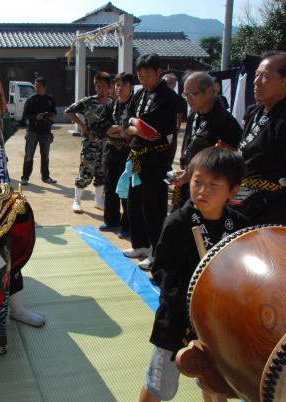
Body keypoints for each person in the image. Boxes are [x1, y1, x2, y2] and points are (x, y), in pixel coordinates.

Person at [139, 147, 249, 402]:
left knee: (215, 383)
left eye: (214, 185)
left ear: (232, 191)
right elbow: (162, 271)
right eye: (197, 181)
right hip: (178, 321)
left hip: (219, 323)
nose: (202, 191)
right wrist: (193, 303)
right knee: (160, 386)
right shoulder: (178, 223)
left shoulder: (239, 225)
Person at [121, 53, 179, 270]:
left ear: (158, 72)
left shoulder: (168, 97)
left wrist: (134, 125)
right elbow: (126, 122)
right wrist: (136, 125)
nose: (143, 80)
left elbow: (152, 130)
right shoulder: (140, 94)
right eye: (140, 76)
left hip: (156, 158)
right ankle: (141, 244)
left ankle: (156, 251)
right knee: (134, 202)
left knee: (153, 206)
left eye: (147, 75)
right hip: (137, 156)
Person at [169, 72, 243, 211]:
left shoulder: (225, 122)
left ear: (210, 92)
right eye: (185, 95)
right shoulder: (194, 113)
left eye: (193, 94)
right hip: (188, 179)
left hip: (207, 189)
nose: (188, 99)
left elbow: (230, 162)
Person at [230, 52, 286, 225]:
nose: (256, 82)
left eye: (265, 77)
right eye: (256, 75)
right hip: (243, 197)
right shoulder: (254, 111)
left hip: (273, 207)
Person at [95, 73, 135, 238]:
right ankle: (112, 220)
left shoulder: (135, 106)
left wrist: (116, 130)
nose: (119, 89)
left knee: (127, 190)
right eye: (117, 85)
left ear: (131, 87)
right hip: (111, 152)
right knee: (110, 188)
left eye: (123, 85)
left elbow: (131, 130)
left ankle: (127, 225)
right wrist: (119, 130)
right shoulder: (110, 106)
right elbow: (102, 127)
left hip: (129, 153)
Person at [65, 71, 111, 212]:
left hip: (106, 144)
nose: (100, 89)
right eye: (97, 86)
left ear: (109, 87)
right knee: (86, 171)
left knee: (102, 173)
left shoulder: (112, 103)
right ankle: (77, 201)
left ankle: (98, 200)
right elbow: (69, 111)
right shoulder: (89, 101)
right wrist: (82, 125)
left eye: (103, 86)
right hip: (90, 143)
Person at [20, 77, 57, 185]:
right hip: (32, 131)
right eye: (35, 86)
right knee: (29, 155)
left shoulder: (50, 99)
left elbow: (54, 112)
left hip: (46, 131)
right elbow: (25, 115)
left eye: (38, 86)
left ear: (44, 87)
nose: (36, 88)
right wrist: (36, 117)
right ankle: (25, 177)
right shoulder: (31, 99)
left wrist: (52, 117)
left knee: (45, 156)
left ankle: (45, 177)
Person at [162, 73, 187, 170]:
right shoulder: (157, 96)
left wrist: (178, 127)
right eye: (168, 82)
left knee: (170, 150)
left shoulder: (178, 99)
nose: (170, 84)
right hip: (156, 130)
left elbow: (180, 115)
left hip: (170, 129)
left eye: (172, 83)